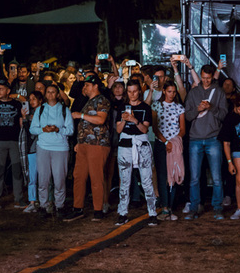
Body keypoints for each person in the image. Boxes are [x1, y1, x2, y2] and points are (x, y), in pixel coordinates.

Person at [184, 64, 229, 220]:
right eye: (203, 78)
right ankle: (194, 207)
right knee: (194, 177)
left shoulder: (219, 92)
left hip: (213, 138)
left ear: (213, 77)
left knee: (217, 177)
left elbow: (224, 115)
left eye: (208, 78)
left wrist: (211, 108)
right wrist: (198, 109)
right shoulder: (194, 92)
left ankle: (217, 207)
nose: (206, 81)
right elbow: (187, 116)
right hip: (195, 138)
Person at [115, 79, 158, 226]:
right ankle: (122, 213)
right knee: (125, 180)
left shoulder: (145, 107)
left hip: (141, 143)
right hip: (125, 144)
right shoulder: (122, 107)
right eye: (129, 91)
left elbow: (145, 129)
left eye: (135, 91)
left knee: (146, 180)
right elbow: (118, 129)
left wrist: (133, 119)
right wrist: (124, 120)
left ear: (139, 91)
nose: (132, 94)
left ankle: (152, 212)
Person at [29, 84, 75, 218]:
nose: (50, 94)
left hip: (60, 147)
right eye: (48, 92)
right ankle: (43, 206)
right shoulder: (40, 110)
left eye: (53, 92)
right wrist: (43, 129)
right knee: (43, 178)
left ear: (57, 94)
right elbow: (33, 129)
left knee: (59, 179)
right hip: (43, 146)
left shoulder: (64, 110)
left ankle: (59, 206)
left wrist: (57, 130)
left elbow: (70, 130)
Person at [70, 75, 112, 220]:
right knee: (79, 176)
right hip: (84, 144)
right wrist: (79, 141)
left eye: (87, 85)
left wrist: (80, 115)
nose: (84, 88)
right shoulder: (88, 102)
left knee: (96, 177)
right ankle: (78, 208)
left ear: (95, 86)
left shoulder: (102, 100)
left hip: (97, 144)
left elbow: (101, 119)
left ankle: (98, 210)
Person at [0, 78, 24, 209]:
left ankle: (18, 199)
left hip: (14, 142)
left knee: (17, 170)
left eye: (1, 89)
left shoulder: (17, 105)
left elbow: (21, 122)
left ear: (8, 91)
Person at [152, 80, 186, 221]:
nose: (171, 94)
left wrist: (173, 142)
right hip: (161, 144)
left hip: (175, 144)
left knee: (174, 174)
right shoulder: (156, 106)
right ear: (164, 91)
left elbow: (183, 129)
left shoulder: (179, 107)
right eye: (169, 91)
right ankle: (165, 207)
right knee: (162, 175)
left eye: (174, 91)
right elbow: (155, 127)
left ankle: (170, 207)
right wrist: (165, 141)